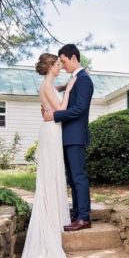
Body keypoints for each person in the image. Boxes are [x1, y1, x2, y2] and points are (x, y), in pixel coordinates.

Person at [16, 53, 76, 258]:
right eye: (58, 65)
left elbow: (52, 93)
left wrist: (62, 86)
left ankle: (55, 213)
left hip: (49, 130)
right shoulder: (48, 86)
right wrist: (69, 90)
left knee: (52, 173)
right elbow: (60, 107)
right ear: (50, 66)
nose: (60, 67)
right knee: (52, 173)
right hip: (52, 131)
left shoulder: (46, 85)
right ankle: (51, 217)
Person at [43, 44, 94, 231]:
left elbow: (80, 109)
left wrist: (54, 116)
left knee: (79, 177)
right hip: (65, 136)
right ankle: (76, 212)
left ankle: (84, 217)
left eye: (64, 61)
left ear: (73, 58)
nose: (62, 66)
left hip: (75, 136)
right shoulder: (76, 79)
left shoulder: (84, 80)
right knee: (72, 178)